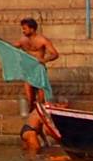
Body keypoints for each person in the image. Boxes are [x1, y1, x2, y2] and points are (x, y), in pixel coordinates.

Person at [14, 17, 61, 146]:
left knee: (41, 101)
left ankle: (41, 127)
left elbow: (55, 54)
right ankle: (32, 126)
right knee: (30, 100)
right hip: (28, 71)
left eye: (25, 28)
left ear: (32, 29)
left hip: (39, 71)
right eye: (22, 28)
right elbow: (12, 49)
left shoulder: (42, 40)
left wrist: (44, 60)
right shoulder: (22, 40)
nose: (23, 31)